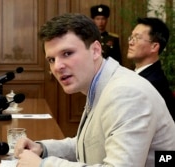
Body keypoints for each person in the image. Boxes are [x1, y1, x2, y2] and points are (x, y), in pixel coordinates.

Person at [13, 13, 175, 167]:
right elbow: (91, 143)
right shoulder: (101, 84)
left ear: (96, 50)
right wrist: (43, 149)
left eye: (67, 53)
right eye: (51, 59)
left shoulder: (126, 93)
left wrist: (43, 165)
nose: (57, 66)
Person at [127, 17, 175, 120]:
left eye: (137, 38)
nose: (130, 42)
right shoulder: (141, 76)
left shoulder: (153, 84)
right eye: (131, 37)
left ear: (154, 47)